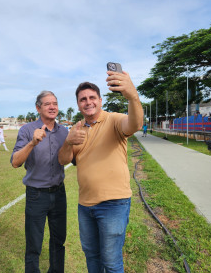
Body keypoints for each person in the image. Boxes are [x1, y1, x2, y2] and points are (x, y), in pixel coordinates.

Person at [58, 70, 143, 272]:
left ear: (100, 100)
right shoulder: (77, 128)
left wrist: (132, 96)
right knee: (92, 258)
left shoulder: (114, 120)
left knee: (111, 262)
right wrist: (68, 142)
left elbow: (135, 124)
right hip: (85, 206)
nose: (88, 102)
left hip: (113, 204)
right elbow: (63, 160)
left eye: (92, 98)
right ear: (78, 104)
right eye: (82, 99)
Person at [11, 91, 68, 272]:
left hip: (59, 193)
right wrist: (32, 143)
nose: (52, 107)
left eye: (55, 103)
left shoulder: (64, 132)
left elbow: (71, 158)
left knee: (58, 241)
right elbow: (15, 162)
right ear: (38, 108)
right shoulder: (27, 130)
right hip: (36, 195)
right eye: (47, 104)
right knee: (34, 244)